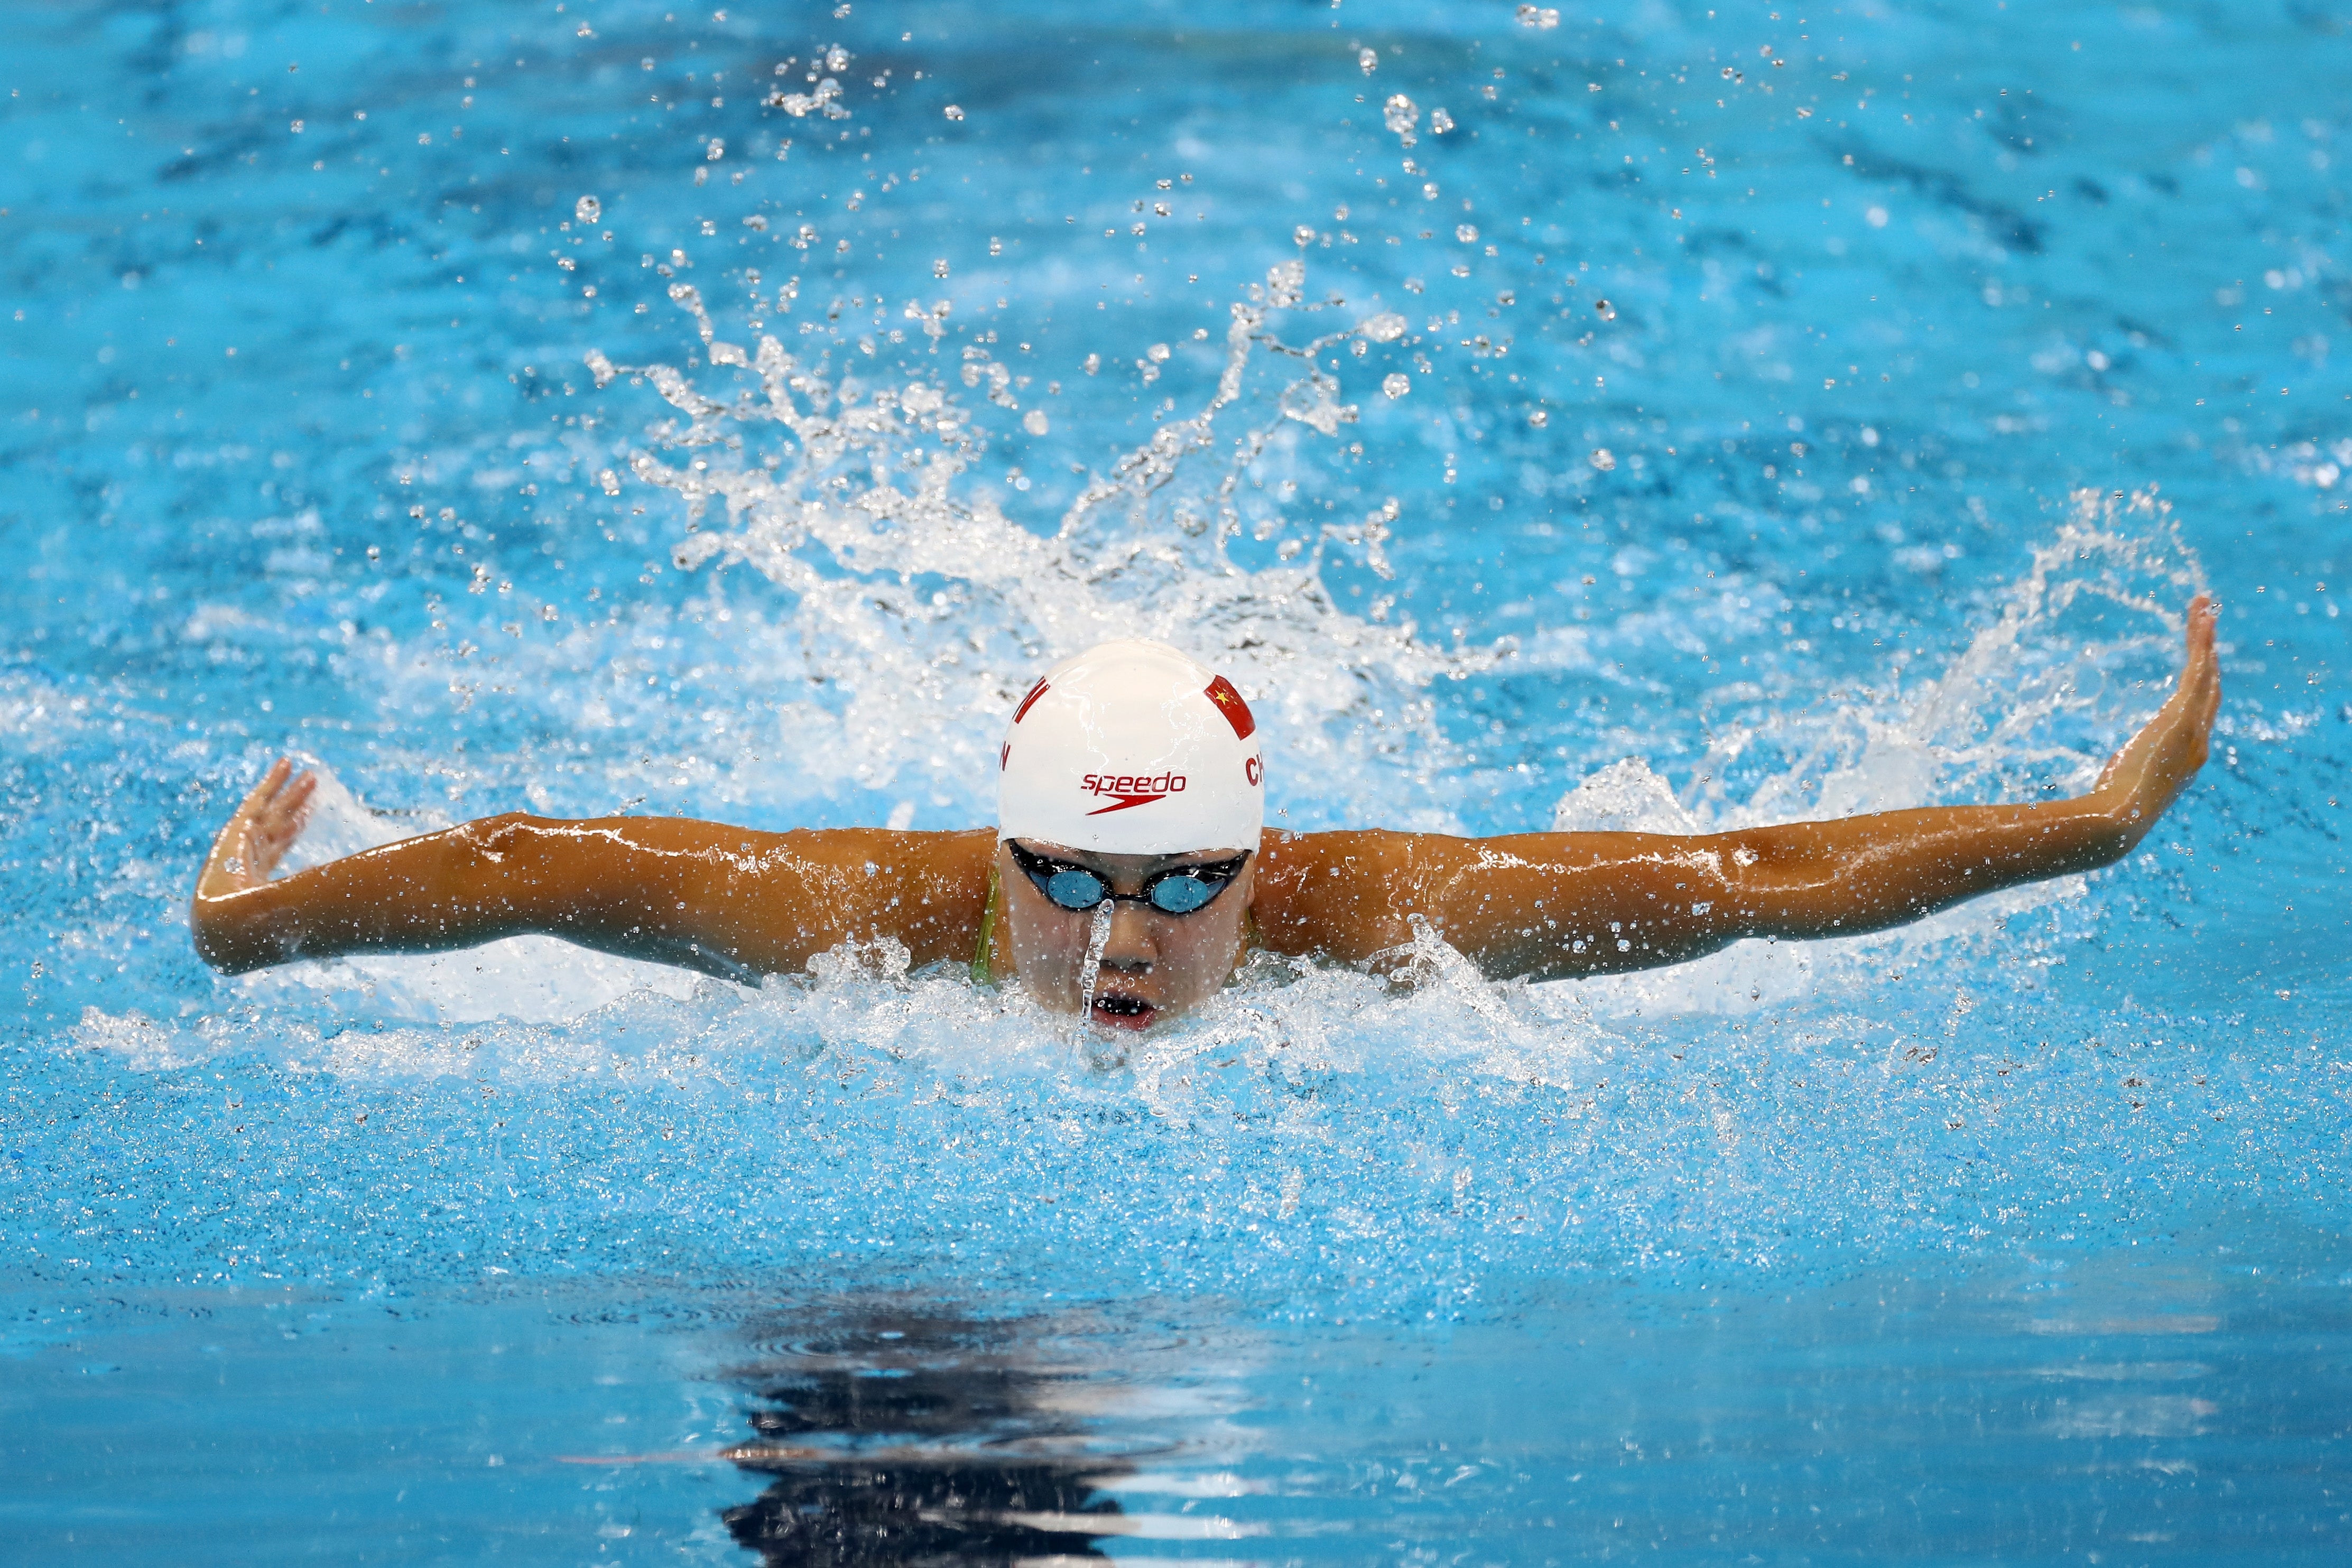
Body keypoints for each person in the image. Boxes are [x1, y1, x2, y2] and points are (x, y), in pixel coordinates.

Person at [191, 597, 2221, 1033]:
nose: (1122, 941)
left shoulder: (1385, 916)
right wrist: (241, 924)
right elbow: (530, 862)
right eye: (1063, 880)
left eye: (1183, 887)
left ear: (1266, 863)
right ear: (992, 852)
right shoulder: (848, 917)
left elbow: (1751, 883)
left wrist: (2095, 815)